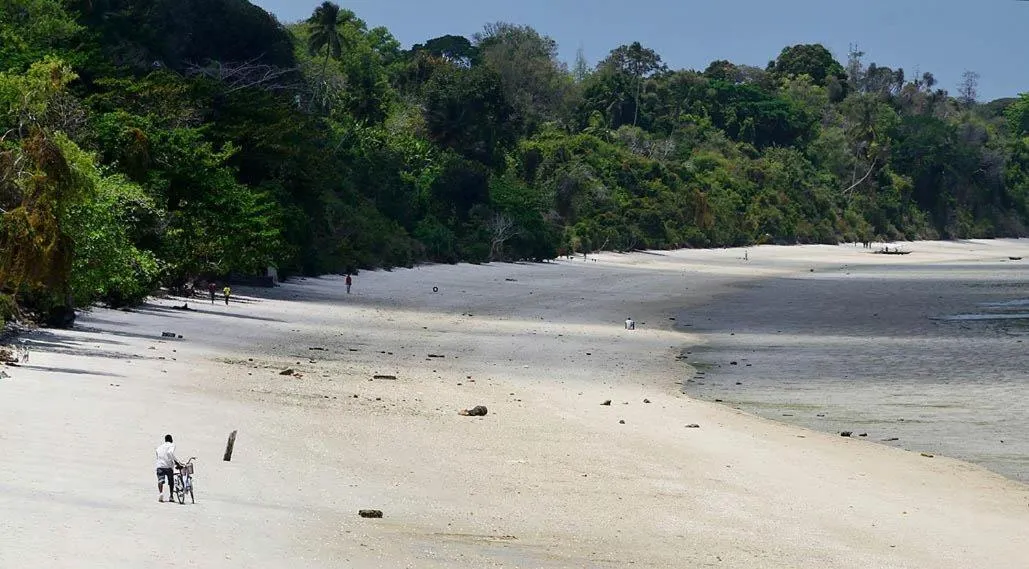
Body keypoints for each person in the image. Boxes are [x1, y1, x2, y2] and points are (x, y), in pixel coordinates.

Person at [155, 434, 180, 503]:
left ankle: (161, 493)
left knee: (160, 480)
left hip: (160, 466)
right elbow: (170, 452)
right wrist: (176, 461)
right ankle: (171, 496)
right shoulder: (172, 445)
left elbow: (157, 454)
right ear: (171, 440)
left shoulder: (159, 447)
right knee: (171, 481)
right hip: (168, 466)